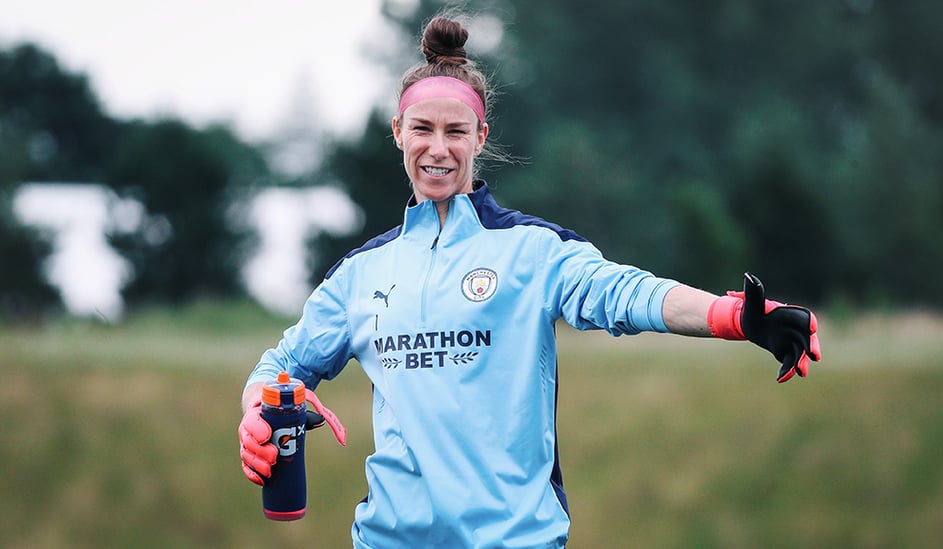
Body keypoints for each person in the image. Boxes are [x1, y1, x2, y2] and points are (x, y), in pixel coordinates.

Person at [238, 14, 821, 549]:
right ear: (397, 131)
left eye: (455, 132)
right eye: (422, 129)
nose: (437, 149)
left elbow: (626, 293)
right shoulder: (360, 274)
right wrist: (256, 416)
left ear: (480, 137)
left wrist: (732, 316)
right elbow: (279, 367)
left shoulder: (534, 251)